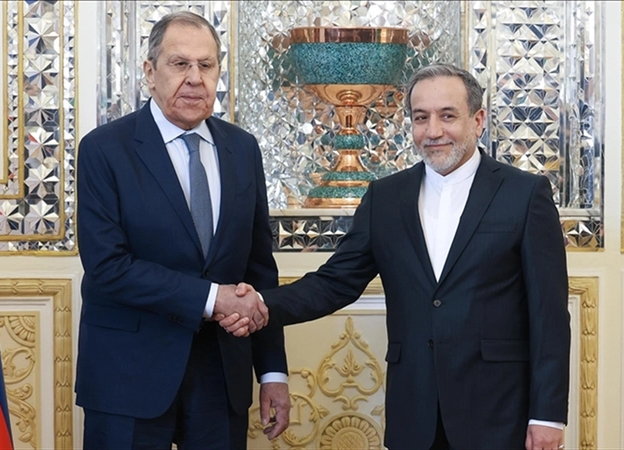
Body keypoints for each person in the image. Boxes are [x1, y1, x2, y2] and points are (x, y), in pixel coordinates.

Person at [223, 63, 570, 450]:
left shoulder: (525, 194)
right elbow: (334, 283)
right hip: (414, 414)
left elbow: (549, 316)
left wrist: (547, 415)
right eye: (421, 118)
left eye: (447, 116)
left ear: (478, 120)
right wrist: (260, 303)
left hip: (500, 413)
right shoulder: (385, 198)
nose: (433, 131)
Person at [75, 11, 290, 449]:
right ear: (149, 72)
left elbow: (259, 270)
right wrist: (213, 298)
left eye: (206, 65)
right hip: (128, 377)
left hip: (221, 377)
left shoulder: (242, 149)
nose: (194, 78)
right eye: (180, 64)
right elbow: (108, 267)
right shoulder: (104, 149)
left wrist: (272, 372)